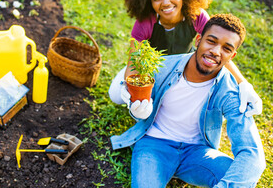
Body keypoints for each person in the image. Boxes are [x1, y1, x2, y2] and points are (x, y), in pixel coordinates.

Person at [110, 14, 266, 187]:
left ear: (232, 56)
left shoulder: (231, 93)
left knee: (240, 175)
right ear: (198, 40)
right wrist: (135, 108)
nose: (215, 51)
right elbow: (139, 102)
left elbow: (252, 153)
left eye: (226, 48)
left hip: (197, 153)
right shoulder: (163, 67)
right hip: (154, 145)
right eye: (211, 41)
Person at [108, 0, 262, 116]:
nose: (166, 2)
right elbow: (134, 62)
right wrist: (132, 90)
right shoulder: (145, 23)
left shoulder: (196, 15)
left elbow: (217, 50)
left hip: (186, 67)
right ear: (149, 2)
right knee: (116, 94)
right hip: (152, 70)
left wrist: (243, 83)